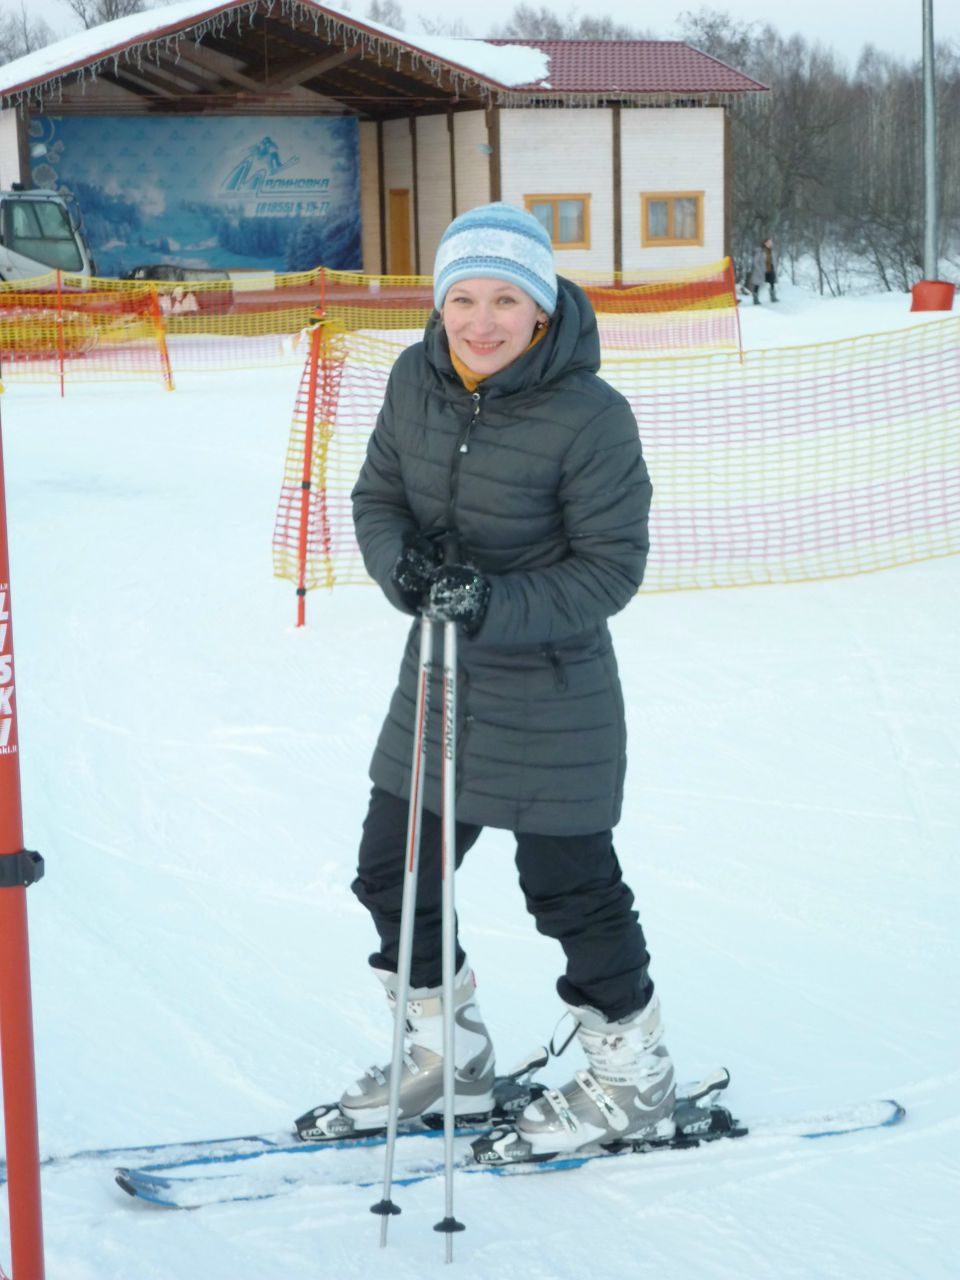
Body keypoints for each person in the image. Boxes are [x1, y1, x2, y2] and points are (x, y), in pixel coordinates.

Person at [331, 202, 674, 1159]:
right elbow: (379, 497)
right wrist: (400, 567)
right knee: (392, 873)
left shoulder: (592, 417)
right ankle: (449, 1054)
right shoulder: (415, 379)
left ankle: (633, 1077)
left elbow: (611, 570)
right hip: (438, 680)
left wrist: (489, 600)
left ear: (544, 307)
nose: (482, 322)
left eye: (507, 299)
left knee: (569, 889)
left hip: (552, 691)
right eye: (464, 299)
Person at [746, 237, 777, 304]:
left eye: (771, 243)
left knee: (772, 283)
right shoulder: (760, 251)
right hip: (761, 271)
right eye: (768, 243)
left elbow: (773, 261)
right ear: (765, 243)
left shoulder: (771, 251)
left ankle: (773, 297)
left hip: (770, 270)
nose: (770, 244)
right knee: (757, 285)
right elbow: (755, 262)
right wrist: (759, 269)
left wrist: (774, 268)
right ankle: (755, 299)